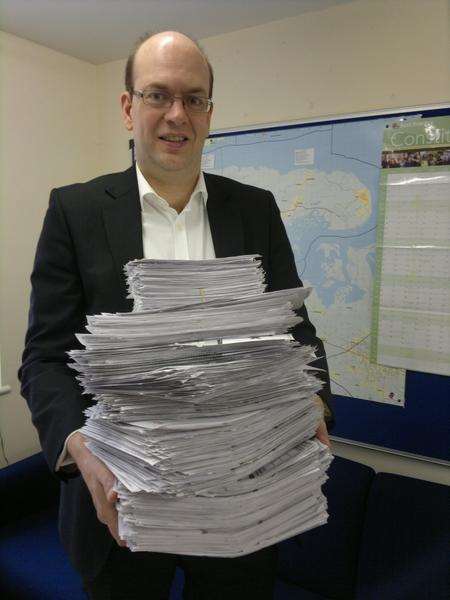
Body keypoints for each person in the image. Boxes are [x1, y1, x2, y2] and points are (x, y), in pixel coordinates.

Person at [20, 31, 333, 600]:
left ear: (210, 114)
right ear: (127, 107)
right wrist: (79, 451)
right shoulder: (76, 211)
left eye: (193, 98)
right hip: (119, 504)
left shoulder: (255, 209)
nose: (176, 114)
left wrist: (313, 401)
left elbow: (295, 331)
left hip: (242, 500)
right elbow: (45, 357)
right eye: (157, 95)